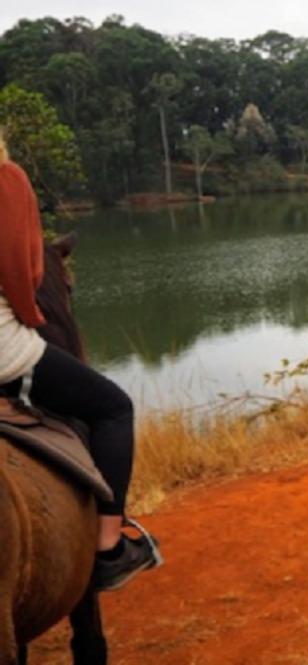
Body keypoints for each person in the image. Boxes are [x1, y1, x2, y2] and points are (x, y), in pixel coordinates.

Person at [0, 132, 161, 592]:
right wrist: (30, 316)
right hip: (4, 350)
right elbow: (21, 272)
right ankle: (109, 548)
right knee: (113, 407)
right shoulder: (6, 179)